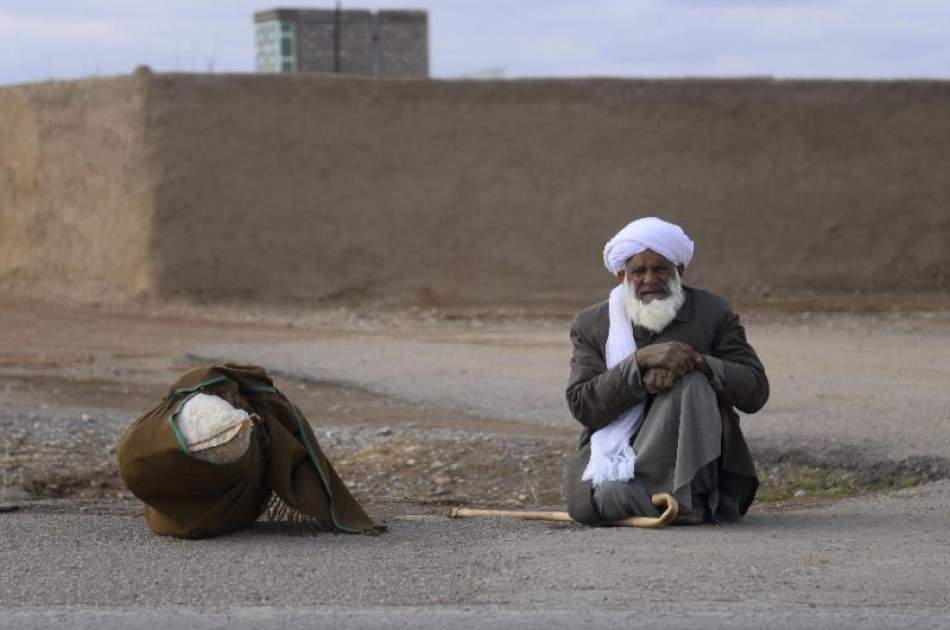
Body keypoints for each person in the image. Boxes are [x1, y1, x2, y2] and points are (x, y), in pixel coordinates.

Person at [564, 217, 768, 525]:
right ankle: (672, 502)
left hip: (701, 469)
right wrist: (638, 365)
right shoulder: (593, 324)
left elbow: (755, 391)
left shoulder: (713, 312)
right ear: (622, 275)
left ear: (680, 270)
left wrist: (699, 362)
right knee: (605, 496)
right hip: (627, 460)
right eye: (638, 271)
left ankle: (680, 497)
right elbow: (583, 406)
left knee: (693, 383)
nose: (650, 280)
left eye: (660, 268)